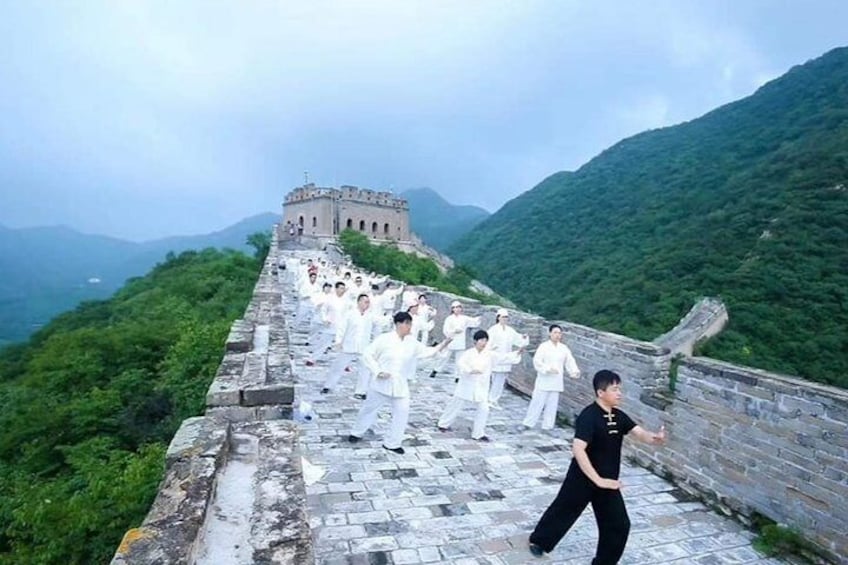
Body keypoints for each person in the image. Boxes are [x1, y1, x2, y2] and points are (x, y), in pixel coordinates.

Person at [528, 370, 667, 562]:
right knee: (564, 509)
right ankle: (540, 541)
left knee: (619, 524)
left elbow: (639, 433)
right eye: (615, 389)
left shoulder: (619, 416)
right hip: (582, 478)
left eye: (620, 389)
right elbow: (578, 449)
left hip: (608, 482)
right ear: (601, 393)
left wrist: (654, 438)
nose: (619, 393)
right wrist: (597, 480)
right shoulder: (589, 416)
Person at [349, 311, 452, 454]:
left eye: (410, 324)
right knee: (369, 409)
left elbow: (427, 352)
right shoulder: (384, 339)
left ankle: (392, 443)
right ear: (398, 324)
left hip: (400, 385)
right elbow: (368, 355)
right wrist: (377, 371)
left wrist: (444, 343)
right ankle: (357, 432)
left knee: (402, 412)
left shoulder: (411, 342)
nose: (409, 327)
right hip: (380, 383)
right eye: (407, 323)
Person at [437, 330, 520, 441]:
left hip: (481, 386)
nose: (484, 343)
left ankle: (478, 433)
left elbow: (503, 358)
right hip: (467, 384)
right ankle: (443, 423)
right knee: (456, 404)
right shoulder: (469, 353)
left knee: (484, 409)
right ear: (475, 341)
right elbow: (461, 364)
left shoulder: (489, 354)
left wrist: (517, 353)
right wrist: (470, 370)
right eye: (481, 340)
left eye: (486, 340)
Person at [522, 324, 580, 430]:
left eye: (559, 333)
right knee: (537, 403)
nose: (557, 335)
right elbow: (537, 361)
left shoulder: (563, 348)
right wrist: (547, 369)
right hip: (544, 380)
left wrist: (574, 371)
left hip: (556, 381)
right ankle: (528, 423)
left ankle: (548, 426)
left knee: (552, 406)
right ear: (550, 333)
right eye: (555, 332)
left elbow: (570, 361)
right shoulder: (544, 346)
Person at [321, 293, 378, 398]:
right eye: (365, 302)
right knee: (338, 367)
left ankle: (361, 391)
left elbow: (378, 325)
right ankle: (328, 386)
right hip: (348, 346)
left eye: (368, 302)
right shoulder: (350, 314)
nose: (367, 304)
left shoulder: (370, 316)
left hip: (363, 347)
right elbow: (342, 328)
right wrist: (339, 341)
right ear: (359, 302)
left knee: (365, 369)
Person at [486, 308, 529, 408]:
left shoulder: (510, 330)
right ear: (498, 318)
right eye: (503, 317)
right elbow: (487, 342)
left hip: (506, 358)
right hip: (495, 357)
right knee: (494, 377)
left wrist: (523, 338)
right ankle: (490, 398)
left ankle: (494, 399)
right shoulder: (493, 330)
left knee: (501, 379)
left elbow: (517, 339)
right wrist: (491, 348)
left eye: (506, 317)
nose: (505, 319)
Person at [430, 300, 481, 380]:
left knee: (459, 360)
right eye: (455, 308)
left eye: (458, 307)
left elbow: (474, 322)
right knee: (444, 357)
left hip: (460, 342)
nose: (457, 309)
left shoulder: (464, 318)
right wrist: (453, 331)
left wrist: (480, 318)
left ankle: (458, 376)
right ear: (452, 309)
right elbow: (445, 330)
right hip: (451, 341)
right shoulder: (449, 319)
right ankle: (436, 370)